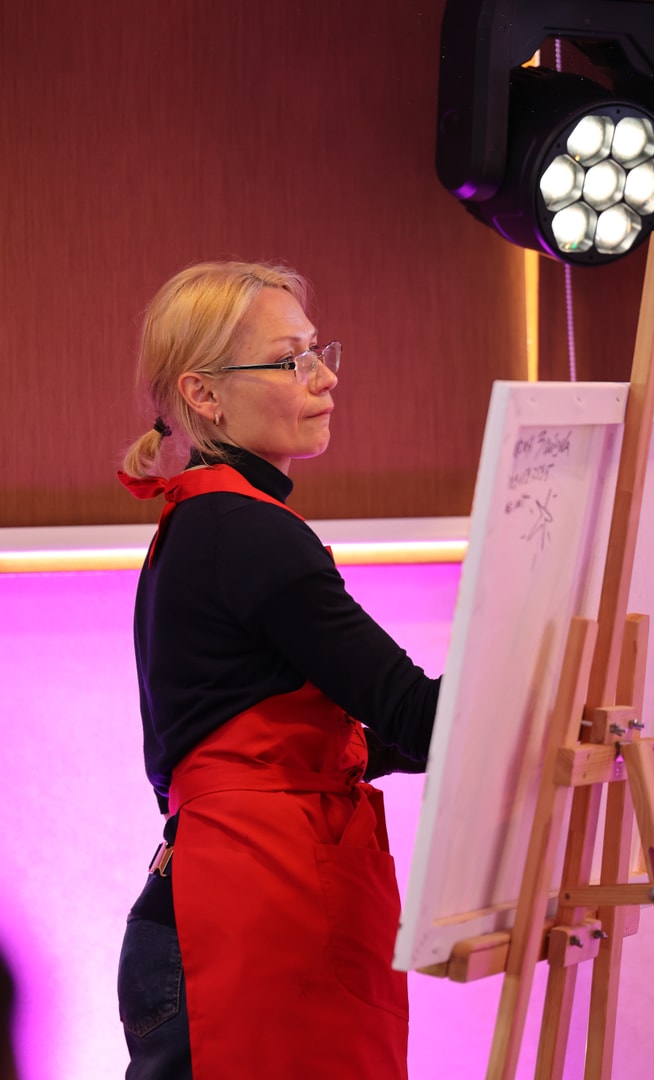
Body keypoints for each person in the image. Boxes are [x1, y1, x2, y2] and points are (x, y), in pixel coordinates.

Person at [116, 260, 441, 1080]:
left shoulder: (209, 520)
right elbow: (416, 713)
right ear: (204, 394)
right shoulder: (244, 530)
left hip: (216, 905)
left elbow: (300, 735)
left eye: (318, 350)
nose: (324, 377)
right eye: (290, 360)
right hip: (235, 917)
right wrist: (544, 679)